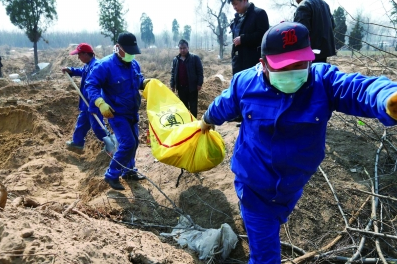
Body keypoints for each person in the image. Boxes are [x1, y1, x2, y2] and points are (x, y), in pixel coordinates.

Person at [200, 21, 397, 263]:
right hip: (255, 189)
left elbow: (357, 89)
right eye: (285, 67)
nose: (294, 71)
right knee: (265, 255)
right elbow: (224, 104)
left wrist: (386, 98)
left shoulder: (322, 82)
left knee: (273, 225)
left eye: (301, 64)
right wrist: (207, 119)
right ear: (263, 65)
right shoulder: (245, 83)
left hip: (291, 187)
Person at [86, 32, 149, 191]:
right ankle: (111, 174)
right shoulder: (105, 66)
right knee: (128, 143)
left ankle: (128, 171)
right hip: (116, 113)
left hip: (132, 111)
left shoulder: (134, 65)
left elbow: (138, 81)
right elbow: (91, 85)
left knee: (135, 142)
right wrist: (100, 102)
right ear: (118, 48)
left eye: (133, 52)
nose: (131, 55)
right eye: (128, 52)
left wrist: (145, 83)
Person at [62, 43, 107, 151]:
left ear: (86, 54)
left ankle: (109, 143)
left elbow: (96, 89)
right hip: (86, 102)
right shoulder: (88, 65)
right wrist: (71, 70)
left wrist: (93, 105)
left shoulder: (96, 66)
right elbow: (83, 71)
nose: (78, 57)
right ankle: (77, 143)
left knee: (97, 126)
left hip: (94, 102)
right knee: (81, 123)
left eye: (79, 55)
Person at [229, 0, 269, 75]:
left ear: (244, 1)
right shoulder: (237, 18)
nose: (234, 7)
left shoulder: (259, 13)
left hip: (253, 65)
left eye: (236, 4)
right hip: (238, 65)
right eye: (232, 5)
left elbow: (263, 35)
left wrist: (243, 39)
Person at [170, 39, 203, 118]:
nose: (182, 50)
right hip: (181, 88)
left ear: (188, 48)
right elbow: (173, 73)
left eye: (184, 48)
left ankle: (194, 124)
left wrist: (199, 83)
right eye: (181, 48)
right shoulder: (176, 60)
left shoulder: (195, 58)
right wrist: (172, 84)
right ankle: (187, 124)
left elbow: (200, 72)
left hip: (192, 88)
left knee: (193, 107)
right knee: (184, 108)